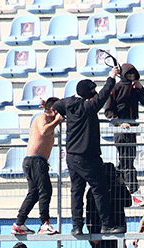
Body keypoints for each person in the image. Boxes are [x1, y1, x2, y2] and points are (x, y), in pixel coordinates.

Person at [53, 66, 124, 236]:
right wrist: (111, 77)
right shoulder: (88, 107)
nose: (94, 93)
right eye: (92, 91)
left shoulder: (68, 104)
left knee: (76, 191)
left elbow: (56, 104)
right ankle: (107, 225)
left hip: (71, 156)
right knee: (100, 190)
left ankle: (77, 226)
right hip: (88, 156)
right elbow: (103, 95)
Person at [12, 97, 63, 236]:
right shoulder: (42, 117)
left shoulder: (50, 119)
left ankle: (19, 223)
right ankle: (44, 223)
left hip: (37, 162)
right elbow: (43, 131)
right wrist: (57, 120)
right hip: (35, 161)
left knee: (34, 194)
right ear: (53, 110)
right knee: (45, 190)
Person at [104, 63, 144, 194]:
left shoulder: (135, 88)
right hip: (121, 131)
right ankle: (134, 191)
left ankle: (115, 185)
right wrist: (119, 124)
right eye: (129, 75)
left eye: (133, 75)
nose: (131, 77)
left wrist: (141, 89)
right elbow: (108, 111)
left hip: (131, 131)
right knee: (127, 161)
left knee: (126, 161)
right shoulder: (116, 88)